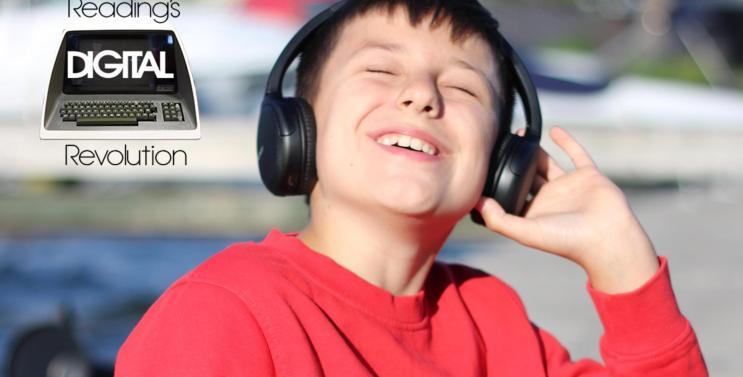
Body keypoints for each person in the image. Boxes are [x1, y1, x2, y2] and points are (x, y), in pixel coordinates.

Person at [114, 1, 709, 375]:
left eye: (465, 90)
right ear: (295, 128)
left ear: (505, 164)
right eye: (379, 70)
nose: (423, 95)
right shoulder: (223, 312)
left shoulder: (492, 323)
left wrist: (624, 268)